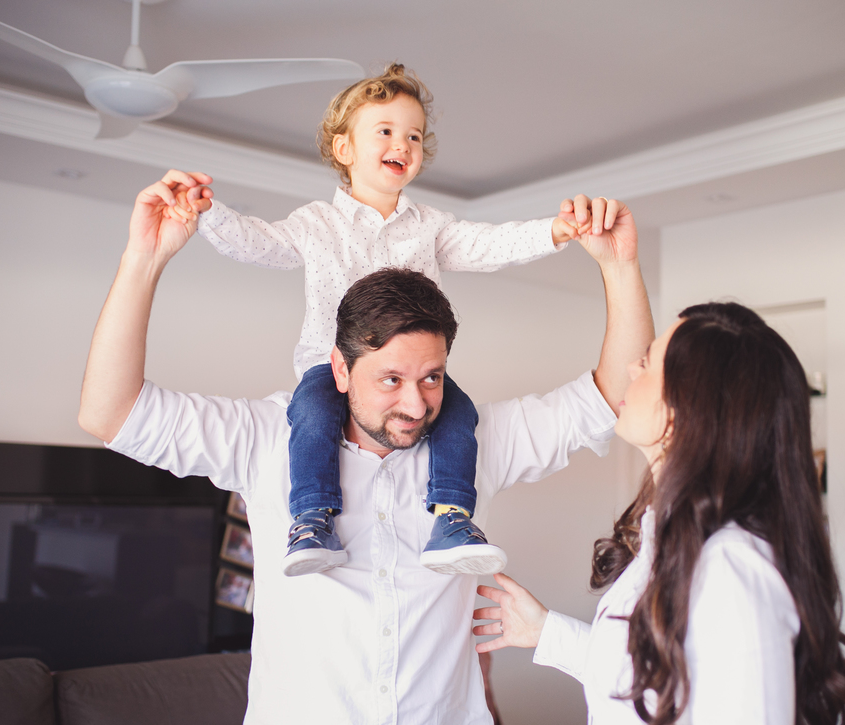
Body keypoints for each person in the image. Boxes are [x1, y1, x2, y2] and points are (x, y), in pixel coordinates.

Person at [77, 171, 653, 725]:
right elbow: (111, 413)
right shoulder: (268, 439)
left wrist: (620, 266)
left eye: (432, 378)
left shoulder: (474, 443)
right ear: (341, 369)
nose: (416, 403)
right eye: (391, 380)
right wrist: (145, 259)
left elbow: (613, 396)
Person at [166, 63, 590, 580]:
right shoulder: (317, 224)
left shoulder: (430, 226)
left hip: (410, 366)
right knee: (311, 413)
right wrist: (208, 212)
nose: (403, 144)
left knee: (458, 414)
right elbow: (260, 244)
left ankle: (453, 519)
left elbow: (488, 244)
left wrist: (555, 230)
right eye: (385, 131)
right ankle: (312, 519)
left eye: (413, 135)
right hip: (333, 364)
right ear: (344, 150)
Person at [474, 303, 845, 725]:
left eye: (648, 362)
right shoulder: (674, 543)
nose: (631, 370)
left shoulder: (731, 568)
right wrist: (546, 632)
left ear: (686, 409)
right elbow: (659, 678)